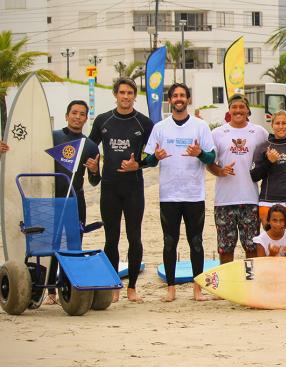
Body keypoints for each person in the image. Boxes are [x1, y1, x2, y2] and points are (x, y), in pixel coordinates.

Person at [143, 83, 216, 302]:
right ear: (170, 100)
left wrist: (200, 153)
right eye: (175, 95)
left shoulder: (200, 126)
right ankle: (171, 288)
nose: (178, 99)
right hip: (169, 195)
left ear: (188, 99)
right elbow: (147, 160)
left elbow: (212, 158)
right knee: (169, 242)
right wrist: (156, 157)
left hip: (194, 194)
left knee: (196, 242)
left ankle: (197, 288)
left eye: (182, 95)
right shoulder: (160, 127)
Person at [89, 78, 153, 303]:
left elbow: (154, 156)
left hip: (134, 188)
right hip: (110, 187)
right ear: (115, 94)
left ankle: (132, 287)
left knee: (134, 237)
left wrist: (139, 164)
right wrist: (94, 170)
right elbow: (90, 150)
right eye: (122, 92)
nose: (126, 97)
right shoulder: (103, 120)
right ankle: (114, 284)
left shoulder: (144, 123)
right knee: (111, 239)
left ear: (135, 96)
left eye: (130, 93)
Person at [44, 100, 102, 305]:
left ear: (86, 118)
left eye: (82, 114)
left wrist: (95, 170)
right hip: (52, 198)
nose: (78, 117)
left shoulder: (91, 145)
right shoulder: (52, 137)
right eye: (74, 113)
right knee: (51, 243)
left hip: (75, 200)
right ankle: (50, 290)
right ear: (66, 115)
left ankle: (67, 287)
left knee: (74, 244)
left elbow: (95, 181)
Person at [208, 94, 268, 264]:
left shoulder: (259, 132)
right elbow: (209, 163)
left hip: (250, 200)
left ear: (248, 110)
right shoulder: (217, 133)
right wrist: (220, 171)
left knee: (251, 247)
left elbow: (275, 147)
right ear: (229, 110)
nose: (238, 110)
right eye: (234, 107)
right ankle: (227, 286)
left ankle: (250, 283)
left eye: (242, 107)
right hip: (224, 201)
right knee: (225, 248)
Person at [250, 110, 286, 231]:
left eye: (284, 123)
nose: (281, 126)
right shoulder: (263, 147)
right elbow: (254, 176)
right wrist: (269, 162)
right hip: (268, 201)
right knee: (271, 244)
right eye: (277, 123)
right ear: (272, 125)